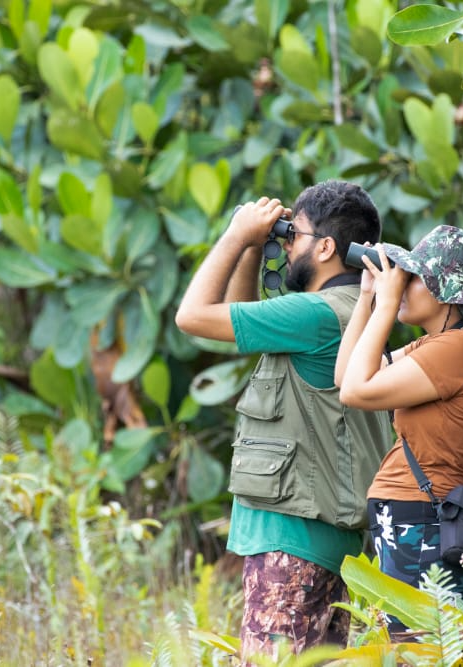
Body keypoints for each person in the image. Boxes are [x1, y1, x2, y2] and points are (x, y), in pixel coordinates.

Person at [174, 181, 391, 662]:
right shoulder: (357, 309)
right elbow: (245, 316)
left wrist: (234, 235)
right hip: (325, 539)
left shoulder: (314, 315)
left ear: (327, 247)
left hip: (292, 542)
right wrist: (257, 246)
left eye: (296, 233)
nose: (288, 243)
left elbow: (192, 317)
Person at [335, 225, 463, 619]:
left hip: (425, 522)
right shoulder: (438, 346)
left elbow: (355, 392)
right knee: (413, 644)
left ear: (446, 291)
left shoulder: (459, 349)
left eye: (413, 279)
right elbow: (346, 375)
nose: (403, 285)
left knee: (418, 647)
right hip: (414, 520)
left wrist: (388, 305)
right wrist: (367, 300)